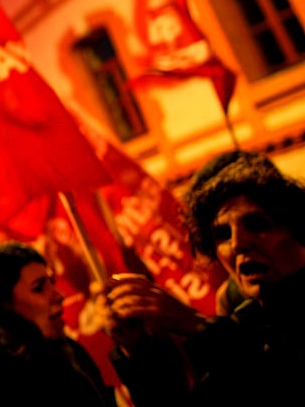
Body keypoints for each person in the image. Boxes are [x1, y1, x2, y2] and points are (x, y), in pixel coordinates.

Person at [105, 149, 305, 406]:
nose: (237, 244)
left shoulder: (233, 333)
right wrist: (138, 349)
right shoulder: (245, 322)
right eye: (222, 234)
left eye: (258, 225)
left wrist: (194, 323)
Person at [0, 241, 118, 407]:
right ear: (2, 305)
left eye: (52, 282)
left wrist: (133, 348)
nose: (59, 296)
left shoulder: (72, 352)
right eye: (38, 288)